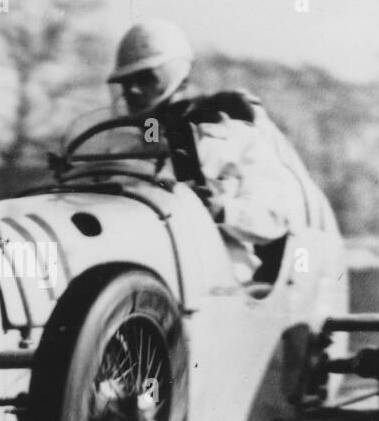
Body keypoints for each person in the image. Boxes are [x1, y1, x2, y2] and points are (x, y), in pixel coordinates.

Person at [107, 19, 310, 278]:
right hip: (148, 266)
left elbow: (276, 214)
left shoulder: (231, 132)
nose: (133, 90)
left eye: (145, 78)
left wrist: (221, 208)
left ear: (174, 75)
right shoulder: (134, 142)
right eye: (126, 82)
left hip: (217, 278)